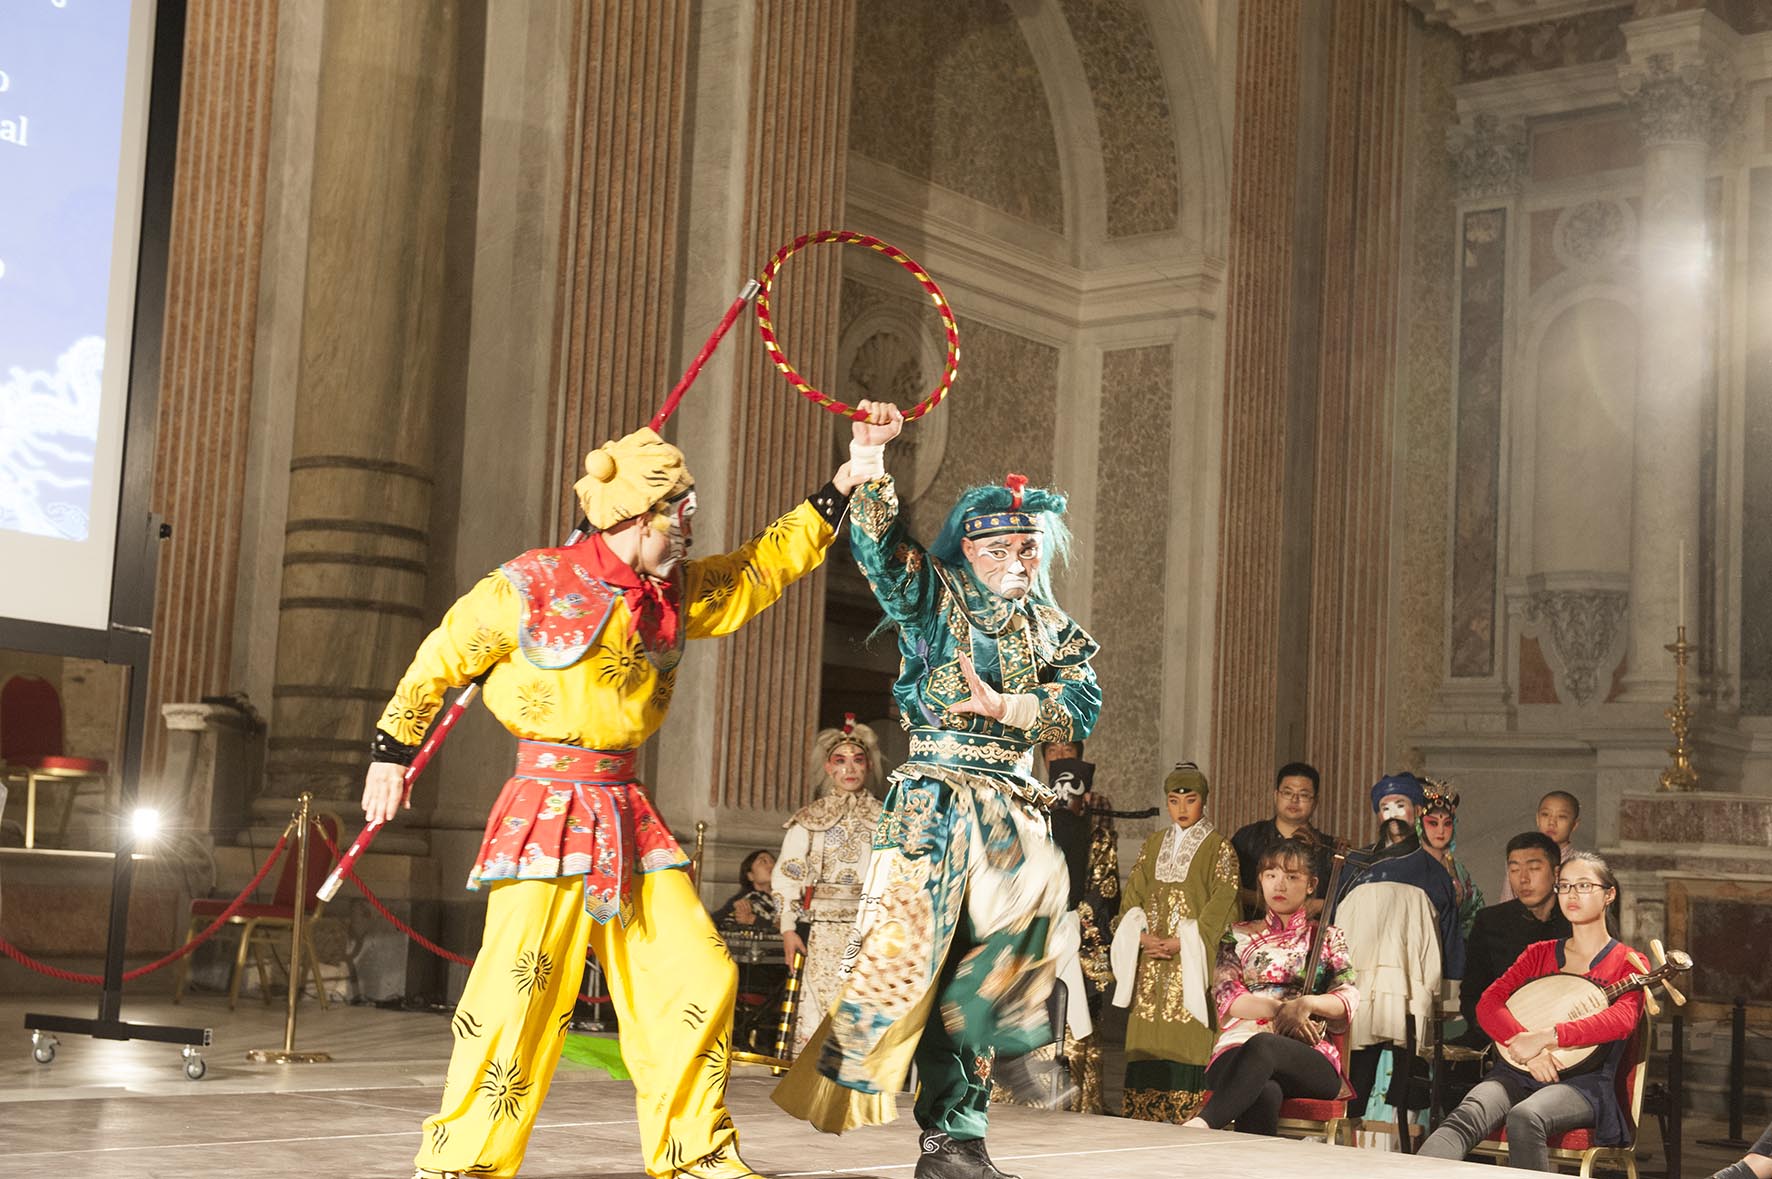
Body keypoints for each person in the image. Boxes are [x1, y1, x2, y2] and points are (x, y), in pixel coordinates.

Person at [366, 402, 903, 1179]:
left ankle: (693, 1154)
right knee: (516, 994)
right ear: (635, 516)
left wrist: (849, 477)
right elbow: (440, 657)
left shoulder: (673, 592)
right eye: (677, 515)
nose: (687, 529)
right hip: (546, 812)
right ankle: (464, 1161)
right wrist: (392, 748)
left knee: (698, 974)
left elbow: (760, 567)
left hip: (626, 810)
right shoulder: (528, 584)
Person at [773, 450, 1100, 1179]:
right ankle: (953, 1132)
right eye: (998, 547)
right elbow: (880, 554)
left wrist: (1010, 705)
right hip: (937, 797)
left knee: (1036, 896)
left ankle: (975, 1095)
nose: (1015, 560)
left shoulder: (1048, 626)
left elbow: (1084, 699)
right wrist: (871, 467)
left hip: (1011, 800)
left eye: (1026, 547)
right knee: (921, 962)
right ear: (968, 547)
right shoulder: (933, 594)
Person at [1419, 852, 1649, 1172]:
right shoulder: (1539, 954)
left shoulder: (1628, 962)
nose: (1572, 894)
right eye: (1564, 886)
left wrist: (1546, 1037)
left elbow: (1622, 1021)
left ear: (1608, 894)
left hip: (1582, 1082)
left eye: (1583, 885)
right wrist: (1527, 1049)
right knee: (1465, 1114)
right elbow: (1489, 1003)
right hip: (1517, 1071)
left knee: (1526, 1116)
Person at [1183, 838, 1360, 1135]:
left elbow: (1347, 995)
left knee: (1265, 1045)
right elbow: (1229, 996)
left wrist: (1308, 1005)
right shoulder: (1237, 935)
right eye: (1271, 875)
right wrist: (1282, 1009)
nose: (1280, 885)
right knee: (1265, 1092)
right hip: (1237, 1048)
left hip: (1306, 1057)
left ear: (1311, 884)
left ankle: (1201, 1125)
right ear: (1261, 880)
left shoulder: (1327, 937)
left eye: (1292, 877)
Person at [1110, 763, 1240, 1123]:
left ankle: (1193, 1115)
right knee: (1148, 1038)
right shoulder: (1153, 845)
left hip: (1190, 962)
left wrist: (1185, 941)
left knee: (1190, 1034)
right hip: (1151, 960)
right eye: (1174, 800)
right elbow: (1131, 896)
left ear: (1204, 801)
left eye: (1191, 800)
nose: (1182, 808)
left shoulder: (1220, 849)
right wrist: (1138, 936)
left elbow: (1224, 903)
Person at [1335, 771, 1464, 1118]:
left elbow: (1447, 933)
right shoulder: (1354, 864)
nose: (1393, 814)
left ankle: (1408, 1145)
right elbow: (1336, 925)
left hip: (1410, 981)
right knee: (1356, 1070)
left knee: (1410, 1071)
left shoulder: (1431, 870)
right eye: (1385, 807)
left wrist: (1449, 993)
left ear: (1416, 811)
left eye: (1401, 805)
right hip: (1361, 980)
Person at [770, 716, 885, 1057]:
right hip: (819, 931)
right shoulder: (811, 818)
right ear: (828, 767)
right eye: (840, 761)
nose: (850, 769)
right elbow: (787, 876)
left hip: (869, 931)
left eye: (857, 760)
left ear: (868, 766)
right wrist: (788, 928)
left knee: (861, 1011)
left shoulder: (886, 819)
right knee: (819, 1010)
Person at [1457, 832, 1572, 1049]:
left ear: (1557, 873)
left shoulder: (1575, 922)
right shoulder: (1490, 920)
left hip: (1560, 1039)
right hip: (1498, 1038)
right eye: (1514, 869)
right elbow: (1472, 993)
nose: (1523, 879)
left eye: (1534, 868)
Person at [1230, 762, 1339, 919]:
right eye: (1287, 793)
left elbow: (1347, 898)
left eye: (1303, 795)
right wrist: (1262, 901)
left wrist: (1320, 904)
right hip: (1254, 932)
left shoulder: (1330, 848)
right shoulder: (1248, 838)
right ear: (1276, 795)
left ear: (1315, 802)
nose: (1294, 800)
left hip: (1311, 936)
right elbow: (1228, 887)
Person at [1419, 778, 1484, 939]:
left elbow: (1475, 909)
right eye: (1433, 823)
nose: (1441, 831)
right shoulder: (1411, 864)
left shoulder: (1458, 869)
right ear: (1419, 824)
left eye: (1447, 823)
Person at [1500, 791, 1582, 902]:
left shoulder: (1581, 864)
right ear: (1537, 819)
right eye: (1545, 814)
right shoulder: (1518, 858)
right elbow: (1507, 902)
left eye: (1561, 816)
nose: (1551, 822)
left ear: (1574, 824)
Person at [714, 850, 780, 930]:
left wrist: (753, 920)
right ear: (750, 875)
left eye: (773, 862)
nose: (771, 865)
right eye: (763, 861)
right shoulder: (743, 901)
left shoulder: (787, 898)